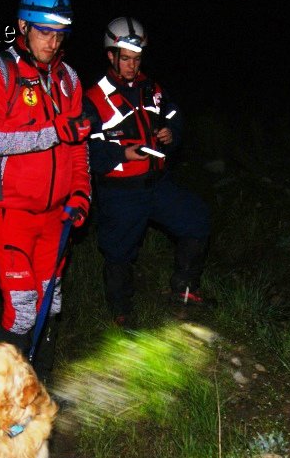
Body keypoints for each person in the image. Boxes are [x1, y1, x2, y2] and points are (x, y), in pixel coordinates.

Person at [0, 0, 91, 380]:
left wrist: (81, 194)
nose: (52, 42)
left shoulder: (68, 79)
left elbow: (79, 148)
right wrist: (52, 131)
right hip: (11, 217)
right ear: (22, 26)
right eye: (44, 32)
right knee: (21, 309)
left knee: (49, 305)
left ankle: (36, 390)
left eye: (59, 34)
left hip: (56, 217)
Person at [83, 17, 211, 327]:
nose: (131, 65)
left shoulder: (151, 89)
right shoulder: (93, 99)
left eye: (137, 58)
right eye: (125, 58)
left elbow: (174, 116)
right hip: (120, 193)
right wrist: (120, 153)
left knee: (197, 218)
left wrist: (171, 132)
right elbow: (84, 151)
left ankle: (184, 288)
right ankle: (121, 311)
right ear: (111, 56)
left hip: (158, 185)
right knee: (118, 252)